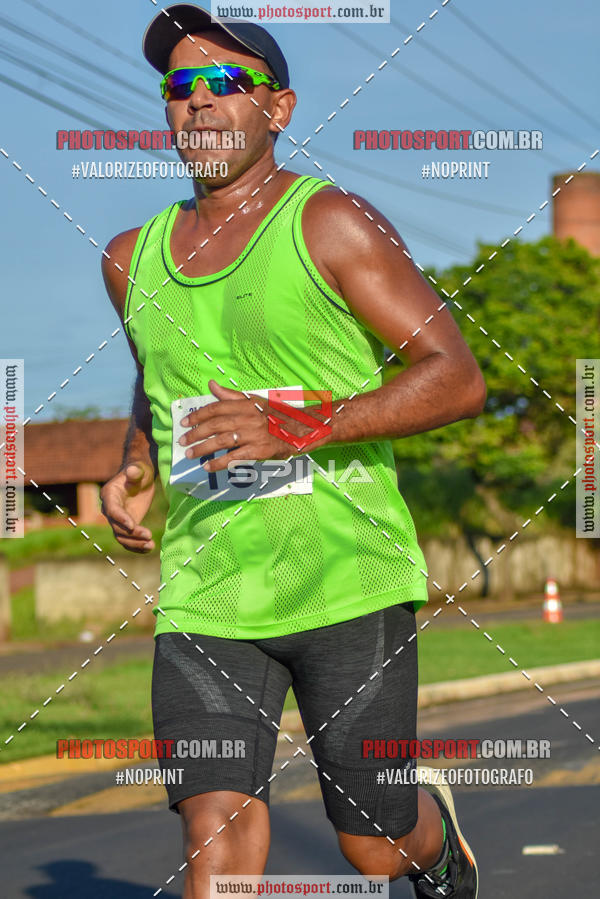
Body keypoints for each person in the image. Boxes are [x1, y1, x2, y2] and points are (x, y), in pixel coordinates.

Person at [100, 5, 485, 897]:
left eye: (224, 83)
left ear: (279, 109)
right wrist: (139, 462)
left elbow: (456, 376)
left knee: (374, 845)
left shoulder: (332, 223)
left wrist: (299, 426)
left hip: (345, 575)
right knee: (214, 827)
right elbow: (153, 376)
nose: (198, 103)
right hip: (208, 588)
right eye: (180, 87)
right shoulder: (130, 259)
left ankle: (433, 845)